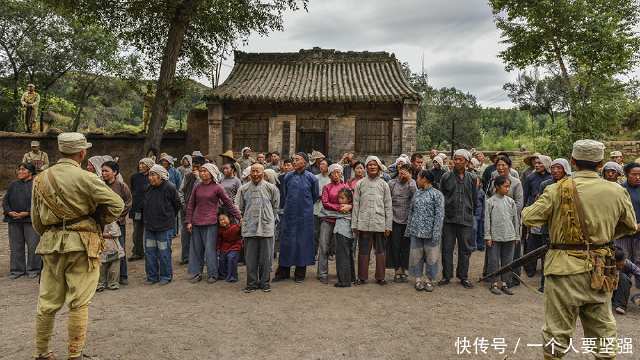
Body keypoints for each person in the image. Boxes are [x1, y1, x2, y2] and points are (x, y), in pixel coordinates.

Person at [522, 139, 638, 359]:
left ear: (573, 161)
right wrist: (602, 237)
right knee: (603, 331)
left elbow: (529, 217)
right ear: (601, 163)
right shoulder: (616, 191)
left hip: (563, 269)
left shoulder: (556, 189)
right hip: (600, 268)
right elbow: (630, 225)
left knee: (557, 332)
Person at [31, 132, 124, 360]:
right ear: (82, 153)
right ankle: (75, 355)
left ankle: (42, 353)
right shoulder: (86, 177)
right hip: (83, 243)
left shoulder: (40, 179)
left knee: (47, 302)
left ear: (60, 151)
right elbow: (117, 204)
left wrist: (52, 234)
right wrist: (99, 219)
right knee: (79, 301)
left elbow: (36, 219)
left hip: (51, 243)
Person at [186, 163, 240, 284]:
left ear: (211, 173)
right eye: (201, 171)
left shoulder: (217, 187)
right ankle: (196, 273)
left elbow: (228, 203)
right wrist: (188, 221)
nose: (203, 173)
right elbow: (191, 205)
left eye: (205, 171)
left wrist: (238, 217)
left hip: (211, 222)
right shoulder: (197, 187)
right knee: (196, 250)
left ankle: (212, 274)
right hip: (196, 222)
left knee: (210, 250)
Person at [274, 152, 319, 283]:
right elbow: (285, 193)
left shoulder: (312, 178)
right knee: (287, 242)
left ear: (304, 162)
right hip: (289, 215)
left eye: (297, 160)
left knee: (302, 243)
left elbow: (315, 196)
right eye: (293, 159)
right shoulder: (287, 177)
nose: (294, 162)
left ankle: (300, 273)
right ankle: (283, 272)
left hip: (305, 216)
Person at [236, 163, 280, 292]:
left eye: (258, 172)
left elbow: (275, 207)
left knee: (266, 258)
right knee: (250, 258)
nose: (255, 174)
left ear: (263, 173)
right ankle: (252, 283)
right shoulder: (243, 189)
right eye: (253, 171)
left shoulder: (271, 188)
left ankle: (265, 282)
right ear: (250, 174)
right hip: (249, 227)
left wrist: (268, 218)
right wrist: (243, 219)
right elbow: (239, 208)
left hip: (266, 227)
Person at [439, 149, 477, 289]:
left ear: (467, 162)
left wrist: (471, 212)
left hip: (466, 218)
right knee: (447, 248)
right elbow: (441, 197)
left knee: (465, 249)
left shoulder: (472, 178)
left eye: (460, 159)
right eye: (455, 159)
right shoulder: (446, 177)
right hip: (449, 219)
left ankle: (463, 276)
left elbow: (474, 198)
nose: (457, 162)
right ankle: (446, 275)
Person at [352, 156, 393, 285]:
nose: (372, 167)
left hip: (379, 222)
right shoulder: (360, 184)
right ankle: (362, 277)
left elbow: (388, 206)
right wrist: (355, 224)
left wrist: (388, 226)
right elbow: (356, 205)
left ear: (379, 167)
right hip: (363, 223)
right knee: (363, 251)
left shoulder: (384, 184)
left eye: (375, 165)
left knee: (380, 251)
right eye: (370, 165)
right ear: (366, 167)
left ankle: (380, 277)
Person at [485, 155, 524, 287]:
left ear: (509, 166)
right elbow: (489, 196)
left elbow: (519, 204)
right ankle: (492, 279)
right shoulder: (493, 179)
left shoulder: (516, 182)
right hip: (495, 222)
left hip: (510, 222)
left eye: (503, 165)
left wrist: (507, 214)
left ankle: (510, 280)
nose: (500, 168)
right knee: (493, 256)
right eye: (498, 165)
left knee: (511, 256)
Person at [536, 158, 572, 292]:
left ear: (565, 169)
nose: (555, 170)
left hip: (566, 226)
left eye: (559, 168)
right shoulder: (545, 184)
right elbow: (541, 205)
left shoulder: (571, 184)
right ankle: (544, 284)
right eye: (553, 168)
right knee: (547, 256)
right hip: (548, 226)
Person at [406, 170, 444, 292]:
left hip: (431, 233)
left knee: (432, 257)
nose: (416, 180)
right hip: (416, 231)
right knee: (416, 256)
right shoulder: (417, 194)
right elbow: (411, 212)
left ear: (425, 179)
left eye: (418, 178)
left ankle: (429, 280)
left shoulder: (437, 195)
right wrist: (409, 229)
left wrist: (436, 232)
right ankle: (418, 279)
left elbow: (439, 215)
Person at [143, 164, 180, 285]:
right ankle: (152, 276)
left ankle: (166, 276)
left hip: (164, 227)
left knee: (164, 253)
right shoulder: (148, 188)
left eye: (153, 175)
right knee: (150, 252)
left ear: (161, 176)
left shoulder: (170, 187)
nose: (150, 178)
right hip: (149, 226)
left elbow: (177, 205)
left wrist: (168, 217)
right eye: (150, 175)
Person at [3, 162, 41, 279]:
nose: (20, 172)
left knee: (33, 246)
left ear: (30, 172)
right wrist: (9, 211)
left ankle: (34, 269)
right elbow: (5, 201)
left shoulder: (36, 185)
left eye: (23, 170)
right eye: (19, 169)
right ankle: (17, 270)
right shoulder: (13, 185)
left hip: (30, 220)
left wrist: (28, 212)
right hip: (13, 220)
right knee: (15, 246)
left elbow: (40, 202)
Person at [484, 175, 520, 296]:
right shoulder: (490, 202)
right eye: (505, 186)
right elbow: (487, 220)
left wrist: (517, 236)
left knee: (508, 262)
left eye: (509, 186)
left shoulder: (511, 202)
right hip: (495, 237)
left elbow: (516, 220)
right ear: (497, 187)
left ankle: (505, 283)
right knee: (494, 261)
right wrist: (488, 236)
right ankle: (494, 283)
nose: (507, 189)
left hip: (510, 236)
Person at [317, 163, 350, 284]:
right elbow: (325, 203)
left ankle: (340, 273)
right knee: (324, 246)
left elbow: (350, 200)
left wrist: (346, 207)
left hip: (341, 221)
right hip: (327, 219)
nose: (336, 175)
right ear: (330, 175)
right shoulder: (327, 187)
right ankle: (322, 273)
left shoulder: (346, 186)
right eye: (333, 173)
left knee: (340, 248)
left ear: (341, 174)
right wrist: (339, 207)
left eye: (338, 172)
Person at [101, 161, 132, 285]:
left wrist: (117, 218)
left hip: (118, 224)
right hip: (103, 224)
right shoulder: (100, 185)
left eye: (106, 171)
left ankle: (122, 275)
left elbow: (128, 203)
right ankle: (105, 278)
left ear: (115, 172)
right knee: (103, 250)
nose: (103, 173)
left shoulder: (122, 186)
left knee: (120, 249)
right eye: (102, 171)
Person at [386, 164, 417, 283]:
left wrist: (410, 180)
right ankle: (397, 269)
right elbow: (387, 200)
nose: (402, 174)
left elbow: (416, 198)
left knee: (406, 246)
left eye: (405, 172)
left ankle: (404, 269)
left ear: (410, 173)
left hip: (408, 220)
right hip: (393, 218)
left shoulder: (412, 183)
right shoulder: (392, 183)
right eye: (401, 171)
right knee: (394, 245)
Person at [522, 155, 551, 277]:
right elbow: (525, 195)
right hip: (534, 212)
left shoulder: (551, 178)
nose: (537, 165)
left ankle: (546, 269)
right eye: (536, 163)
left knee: (546, 241)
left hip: (547, 214)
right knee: (532, 242)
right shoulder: (530, 178)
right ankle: (530, 268)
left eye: (540, 163)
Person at [178, 155, 204, 265]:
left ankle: (199, 258)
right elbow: (180, 191)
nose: (194, 169)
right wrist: (184, 204)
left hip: (201, 211)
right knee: (185, 235)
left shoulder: (207, 177)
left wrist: (199, 178)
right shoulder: (187, 176)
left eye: (197, 167)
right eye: (193, 167)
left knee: (199, 235)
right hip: (186, 210)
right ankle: (186, 257)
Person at [618, 162, 640, 287]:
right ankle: (622, 294)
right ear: (626, 175)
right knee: (623, 262)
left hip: (639, 233)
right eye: (634, 174)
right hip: (623, 233)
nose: (638, 177)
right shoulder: (619, 190)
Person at [129, 158, 153, 261]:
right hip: (137, 208)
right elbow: (133, 191)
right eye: (140, 164)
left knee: (150, 231)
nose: (141, 166)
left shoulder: (153, 176)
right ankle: (137, 252)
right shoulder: (134, 177)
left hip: (150, 209)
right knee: (137, 232)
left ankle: (150, 252)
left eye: (143, 164)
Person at [612, 247, 640, 315]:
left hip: (619, 290)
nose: (622, 266)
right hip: (607, 289)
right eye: (620, 265)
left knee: (625, 278)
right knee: (622, 277)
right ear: (614, 261)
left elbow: (638, 273)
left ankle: (620, 306)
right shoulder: (606, 263)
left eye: (623, 264)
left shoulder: (627, 263)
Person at [97, 222, 123, 292]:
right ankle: (100, 284)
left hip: (113, 246)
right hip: (101, 246)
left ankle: (113, 283)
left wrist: (102, 234)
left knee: (114, 267)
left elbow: (116, 233)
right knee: (101, 267)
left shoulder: (112, 221)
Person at [314, 159, 331, 262]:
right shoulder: (315, 178)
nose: (321, 166)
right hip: (316, 208)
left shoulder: (331, 178)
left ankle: (327, 253)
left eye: (324, 164)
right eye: (320, 164)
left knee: (326, 234)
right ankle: (314, 252)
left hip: (327, 210)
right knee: (315, 232)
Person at [216, 214, 242, 283]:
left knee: (231, 257)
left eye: (224, 219)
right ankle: (223, 275)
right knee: (221, 258)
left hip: (235, 247)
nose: (222, 221)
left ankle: (232, 277)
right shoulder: (220, 231)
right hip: (224, 247)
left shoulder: (235, 227)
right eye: (220, 220)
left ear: (229, 219)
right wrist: (218, 249)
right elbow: (219, 241)